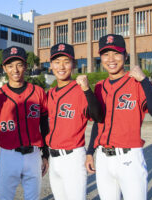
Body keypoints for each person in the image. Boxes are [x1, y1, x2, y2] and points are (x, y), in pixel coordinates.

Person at [85, 34, 152, 200]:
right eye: (106, 54)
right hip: (103, 158)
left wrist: (144, 80)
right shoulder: (100, 86)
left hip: (129, 157)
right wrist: (90, 152)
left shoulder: (137, 83)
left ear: (126, 56)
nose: (111, 59)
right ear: (101, 58)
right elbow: (98, 123)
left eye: (116, 53)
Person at [0, 46, 49, 200]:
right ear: (4, 68)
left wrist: (45, 155)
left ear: (25, 66)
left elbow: (45, 126)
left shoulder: (38, 91)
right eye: (10, 65)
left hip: (33, 154)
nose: (15, 70)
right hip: (8, 155)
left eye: (19, 64)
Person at [45, 43, 103, 200]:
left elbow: (98, 117)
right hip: (53, 157)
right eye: (57, 62)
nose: (61, 66)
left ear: (74, 64)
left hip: (73, 157)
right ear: (50, 65)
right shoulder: (49, 94)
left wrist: (86, 89)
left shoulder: (80, 91)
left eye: (66, 61)